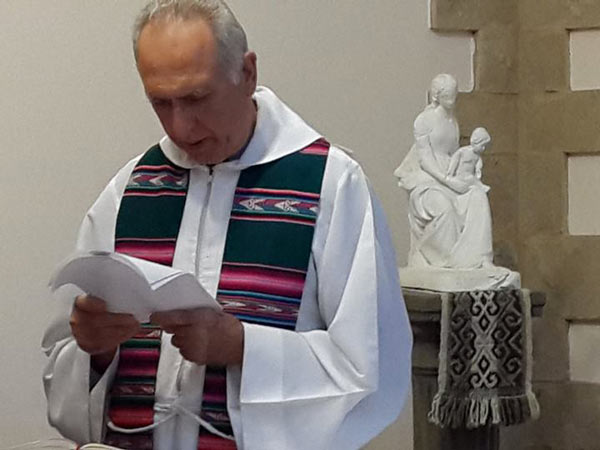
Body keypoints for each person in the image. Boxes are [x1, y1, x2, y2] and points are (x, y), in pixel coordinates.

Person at [42, 1, 412, 450]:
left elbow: (375, 374)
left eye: (196, 98)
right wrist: (95, 348)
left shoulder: (332, 184)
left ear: (247, 73)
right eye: (161, 103)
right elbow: (63, 375)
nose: (181, 127)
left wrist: (243, 347)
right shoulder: (131, 189)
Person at [394, 74, 493, 269]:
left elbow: (455, 155)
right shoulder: (424, 121)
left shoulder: (452, 121)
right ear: (437, 96)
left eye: (454, 95)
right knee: (445, 209)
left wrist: (465, 177)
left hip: (451, 176)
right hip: (427, 180)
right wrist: (447, 180)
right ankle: (441, 259)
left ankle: (479, 258)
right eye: (448, 95)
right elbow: (425, 159)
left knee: (478, 197)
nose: (452, 100)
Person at [447, 127, 491, 193]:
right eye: (482, 146)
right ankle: (481, 186)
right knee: (472, 179)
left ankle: (479, 186)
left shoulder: (477, 157)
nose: (483, 148)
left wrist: (478, 171)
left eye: (485, 146)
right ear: (476, 142)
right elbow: (454, 162)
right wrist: (450, 174)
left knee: (473, 179)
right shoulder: (462, 152)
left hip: (470, 177)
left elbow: (478, 167)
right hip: (460, 176)